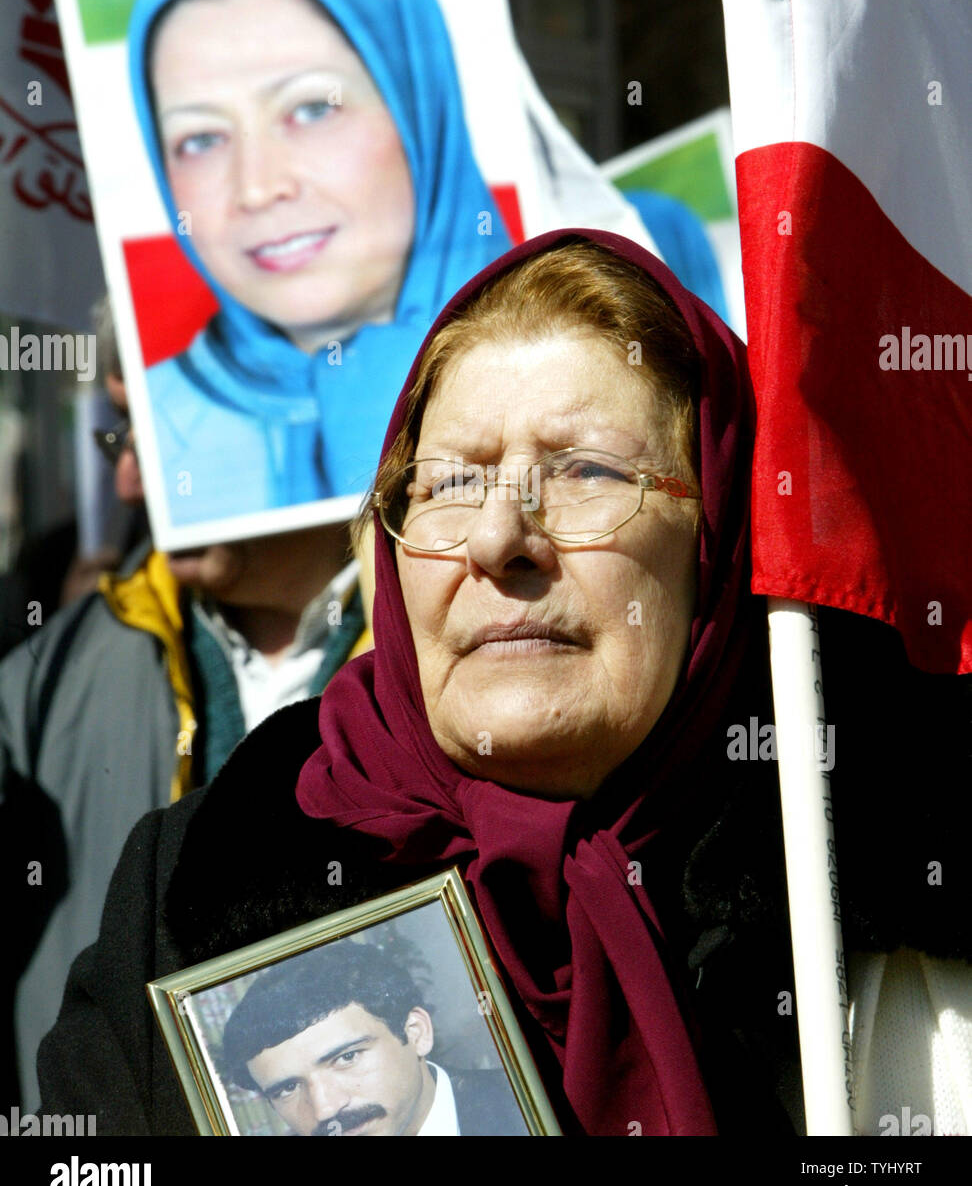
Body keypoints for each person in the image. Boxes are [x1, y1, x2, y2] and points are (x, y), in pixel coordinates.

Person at [37, 230, 806, 1136]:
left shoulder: (851, 891)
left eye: (587, 472)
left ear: (716, 540)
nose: (498, 540)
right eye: (448, 485)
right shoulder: (196, 885)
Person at [1, 342, 370, 1111]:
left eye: (156, 424)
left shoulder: (475, 662)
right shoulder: (34, 690)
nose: (128, 480)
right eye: (117, 434)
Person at [126, 0, 511, 525]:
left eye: (310, 109)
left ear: (418, 111)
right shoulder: (160, 430)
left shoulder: (561, 370)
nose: (258, 187)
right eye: (200, 139)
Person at [219, 942, 527, 1137]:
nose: (325, 1109)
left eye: (346, 1058)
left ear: (416, 1033)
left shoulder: (531, 1105)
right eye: (287, 1088)